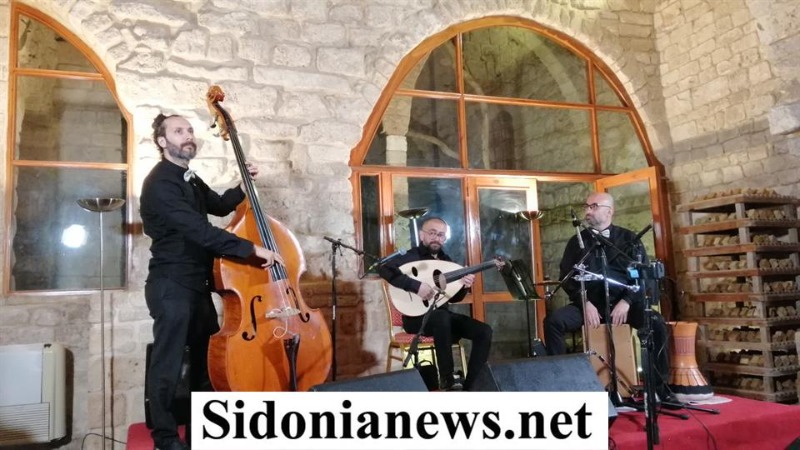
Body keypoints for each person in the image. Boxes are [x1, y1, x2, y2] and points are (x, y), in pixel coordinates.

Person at [140, 114, 282, 450]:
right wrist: (251, 249)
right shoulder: (160, 183)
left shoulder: (189, 178)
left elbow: (217, 206)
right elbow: (200, 231)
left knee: (207, 364)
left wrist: (241, 186)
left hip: (196, 285)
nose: (187, 135)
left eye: (189, 130)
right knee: (168, 365)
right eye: (178, 131)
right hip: (171, 285)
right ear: (162, 142)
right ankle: (165, 439)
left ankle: (202, 431)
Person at [543, 192, 670, 398]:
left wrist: (627, 301)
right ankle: (561, 385)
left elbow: (642, 277)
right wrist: (585, 302)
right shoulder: (577, 242)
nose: (587, 211)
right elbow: (567, 277)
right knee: (553, 322)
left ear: (609, 211)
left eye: (593, 206)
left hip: (623, 305)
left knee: (656, 323)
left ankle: (658, 389)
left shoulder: (630, 239)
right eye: (586, 207)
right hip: (590, 305)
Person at [379, 216, 493, 391]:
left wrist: (464, 285)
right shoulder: (411, 256)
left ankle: (472, 385)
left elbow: (453, 298)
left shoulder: (447, 262)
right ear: (421, 235)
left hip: (443, 319)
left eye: (441, 235)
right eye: (432, 233)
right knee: (441, 318)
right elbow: (383, 268)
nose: (436, 238)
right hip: (416, 320)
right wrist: (416, 286)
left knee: (484, 331)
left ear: (444, 238)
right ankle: (447, 380)